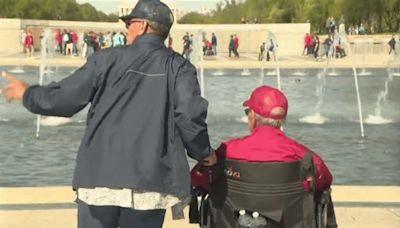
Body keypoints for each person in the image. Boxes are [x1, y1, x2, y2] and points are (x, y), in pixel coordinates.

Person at [1, 0, 217, 227]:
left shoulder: (106, 59)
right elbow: (189, 117)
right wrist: (204, 153)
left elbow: (64, 99)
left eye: (129, 23)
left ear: (142, 26)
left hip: (99, 177)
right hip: (150, 181)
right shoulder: (179, 67)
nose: (126, 29)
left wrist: (28, 93)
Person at [192, 85, 332, 194]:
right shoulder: (301, 154)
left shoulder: (229, 149)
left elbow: (197, 178)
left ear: (253, 116)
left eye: (247, 112)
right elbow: (324, 179)